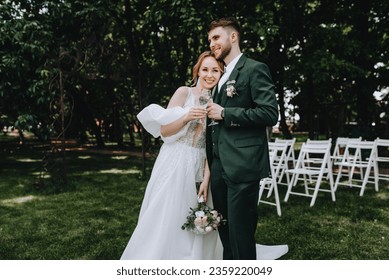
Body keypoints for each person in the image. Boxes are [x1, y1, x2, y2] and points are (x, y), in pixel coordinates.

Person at [120, 51, 224, 259]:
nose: (209, 75)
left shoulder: (219, 103)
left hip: (200, 162)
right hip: (174, 160)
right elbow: (165, 131)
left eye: (216, 70)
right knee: (166, 209)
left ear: (222, 74)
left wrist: (206, 178)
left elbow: (213, 147)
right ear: (197, 71)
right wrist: (186, 117)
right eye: (205, 69)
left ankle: (193, 257)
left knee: (195, 210)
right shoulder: (184, 93)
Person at [206, 17, 279, 260]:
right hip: (219, 165)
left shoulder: (254, 69)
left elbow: (269, 113)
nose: (212, 43)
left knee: (241, 233)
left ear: (233, 36)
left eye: (216, 37)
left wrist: (226, 113)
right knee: (225, 231)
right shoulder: (222, 77)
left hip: (243, 164)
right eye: (210, 40)